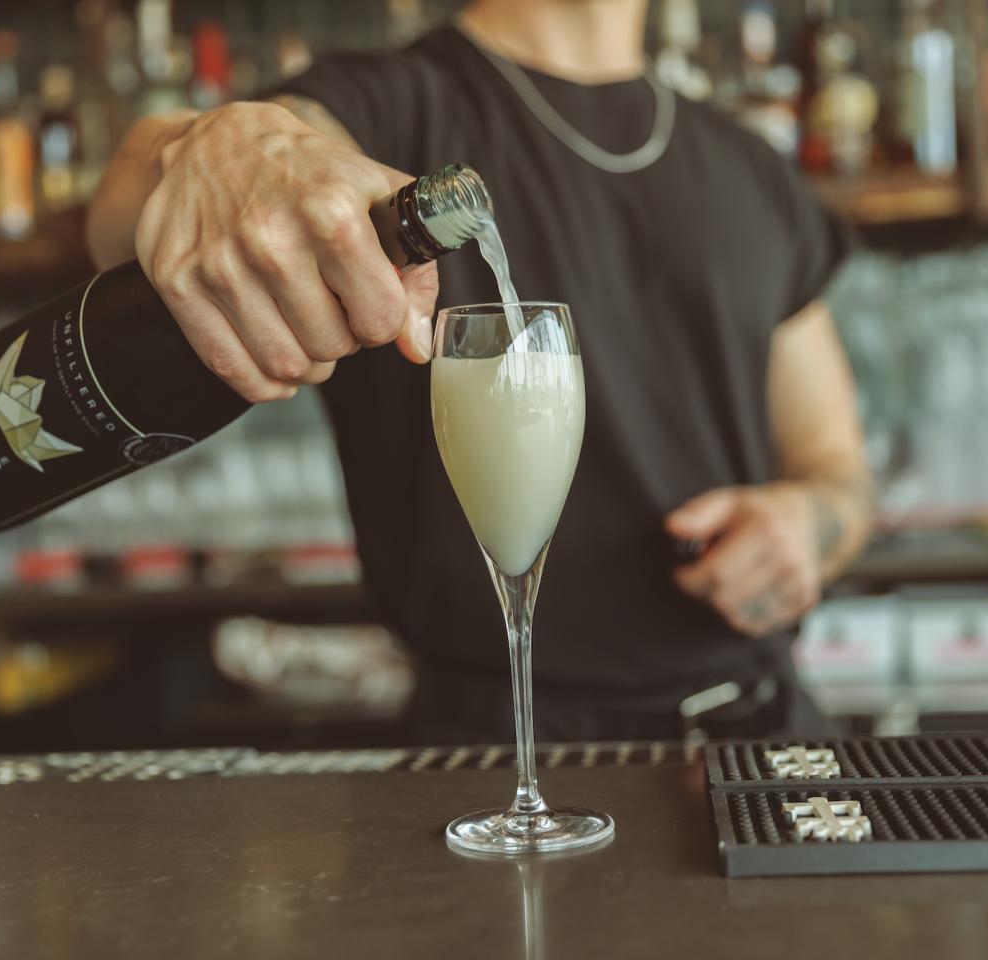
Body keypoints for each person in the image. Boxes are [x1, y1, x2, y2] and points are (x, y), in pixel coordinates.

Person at [86, 0, 874, 743]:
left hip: (760, 730)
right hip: (492, 750)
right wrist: (208, 151)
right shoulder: (381, 111)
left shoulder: (748, 166)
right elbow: (123, 219)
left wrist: (808, 522)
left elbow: (836, 467)